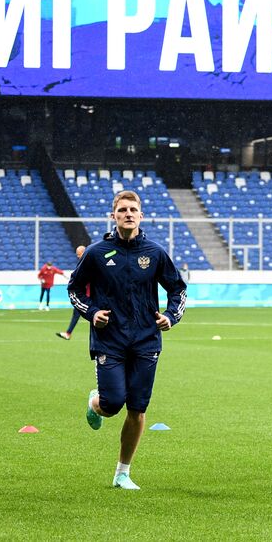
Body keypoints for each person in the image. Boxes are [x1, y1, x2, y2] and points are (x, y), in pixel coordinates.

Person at [69, 191, 187, 490]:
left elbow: (178, 290)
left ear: (141, 215)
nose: (128, 214)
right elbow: (74, 289)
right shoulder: (97, 253)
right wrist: (92, 312)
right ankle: (95, 403)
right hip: (110, 340)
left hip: (147, 341)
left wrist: (171, 316)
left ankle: (122, 473)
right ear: (114, 216)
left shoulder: (156, 253)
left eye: (133, 209)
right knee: (112, 404)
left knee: (137, 409)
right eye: (122, 210)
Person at [56, 245, 86, 339]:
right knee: (77, 313)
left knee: (94, 315)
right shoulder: (82, 263)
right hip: (83, 294)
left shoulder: (88, 263)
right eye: (77, 254)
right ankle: (68, 333)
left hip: (89, 295)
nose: (77, 256)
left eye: (79, 254)